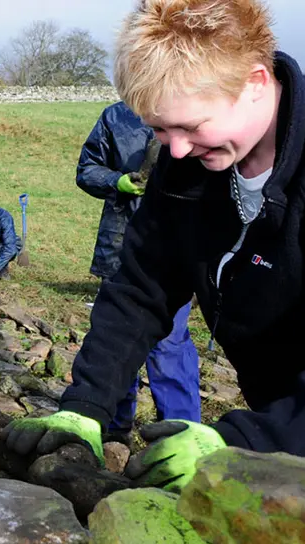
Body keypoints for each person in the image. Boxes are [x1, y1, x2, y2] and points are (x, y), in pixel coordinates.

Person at [1, 0, 305, 492]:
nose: (175, 151)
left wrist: (244, 444)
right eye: (158, 129)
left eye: (190, 126)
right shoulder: (190, 160)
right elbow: (140, 287)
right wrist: (86, 407)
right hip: (288, 420)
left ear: (254, 83)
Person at [76, 101, 201, 439]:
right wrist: (117, 182)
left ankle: (181, 431)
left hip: (175, 249)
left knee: (169, 342)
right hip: (120, 247)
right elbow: (86, 169)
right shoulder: (114, 117)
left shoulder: (193, 110)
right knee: (115, 338)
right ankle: (113, 428)